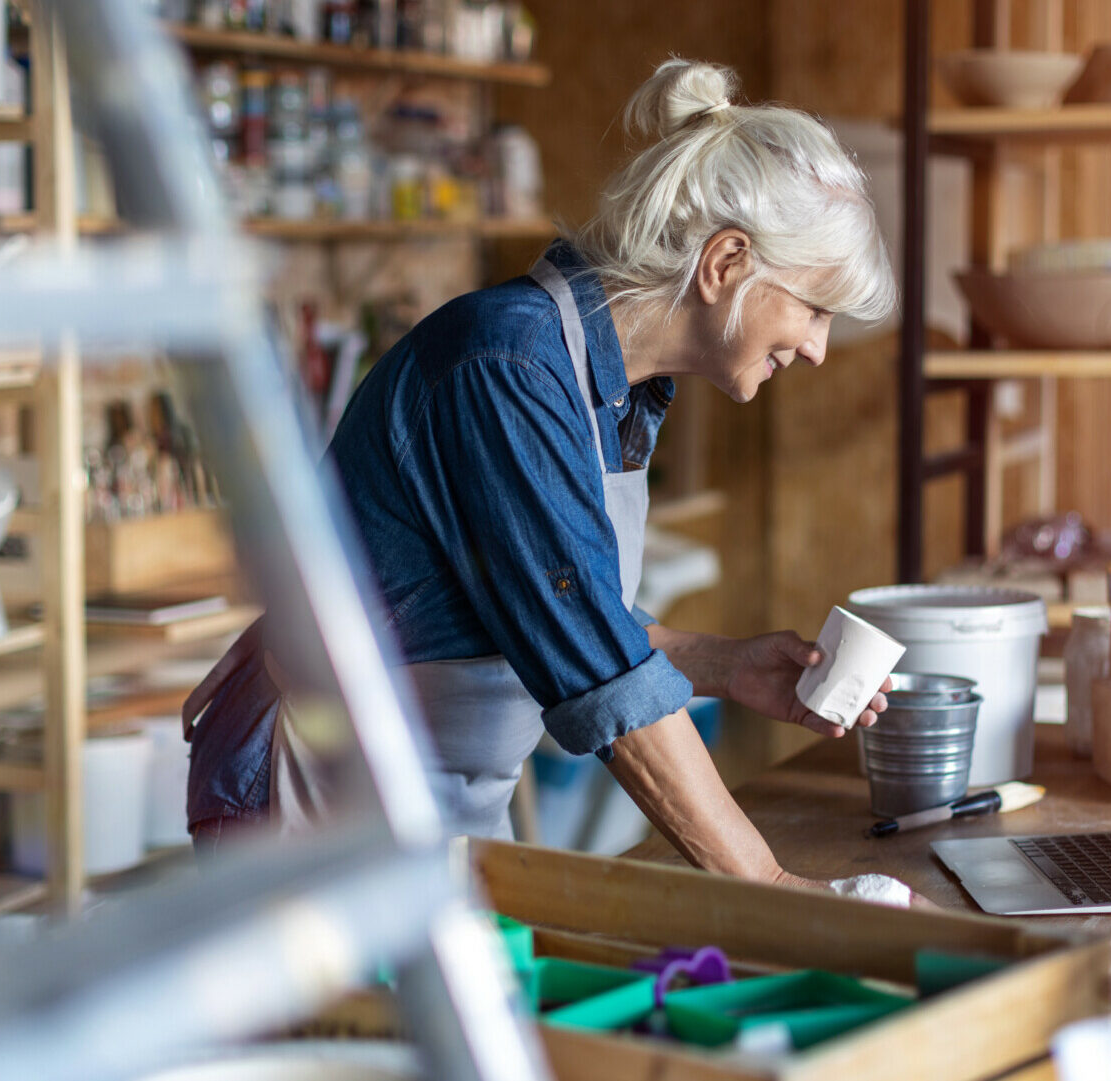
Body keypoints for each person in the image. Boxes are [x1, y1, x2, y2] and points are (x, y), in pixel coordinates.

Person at [184, 58, 899, 891]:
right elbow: (598, 673)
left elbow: (556, 613)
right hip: (305, 797)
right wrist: (773, 890)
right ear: (726, 262)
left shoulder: (617, 392)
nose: (814, 347)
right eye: (812, 308)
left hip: (419, 808)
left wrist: (729, 664)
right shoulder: (506, 368)